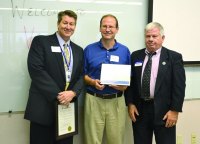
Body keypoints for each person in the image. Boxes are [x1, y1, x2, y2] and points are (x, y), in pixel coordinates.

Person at [24, 10, 84, 144]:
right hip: (43, 110)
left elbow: (81, 75)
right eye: (65, 23)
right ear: (58, 24)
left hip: (67, 113)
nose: (68, 27)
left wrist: (73, 92)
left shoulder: (78, 50)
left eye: (72, 24)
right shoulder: (41, 41)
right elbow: (36, 70)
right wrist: (60, 96)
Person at [126, 22, 186, 144]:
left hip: (165, 112)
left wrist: (175, 111)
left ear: (162, 38)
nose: (151, 39)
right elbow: (131, 83)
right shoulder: (135, 56)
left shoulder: (174, 57)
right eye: (148, 36)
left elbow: (179, 86)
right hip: (140, 111)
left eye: (154, 36)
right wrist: (130, 104)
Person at [83, 14, 130, 144]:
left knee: (116, 140)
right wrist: (92, 82)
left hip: (116, 101)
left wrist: (123, 86)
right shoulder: (89, 49)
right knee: (92, 140)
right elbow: (83, 75)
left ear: (117, 29)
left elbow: (129, 78)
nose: (107, 29)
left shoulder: (124, 51)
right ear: (100, 28)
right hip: (93, 100)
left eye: (111, 26)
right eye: (104, 26)